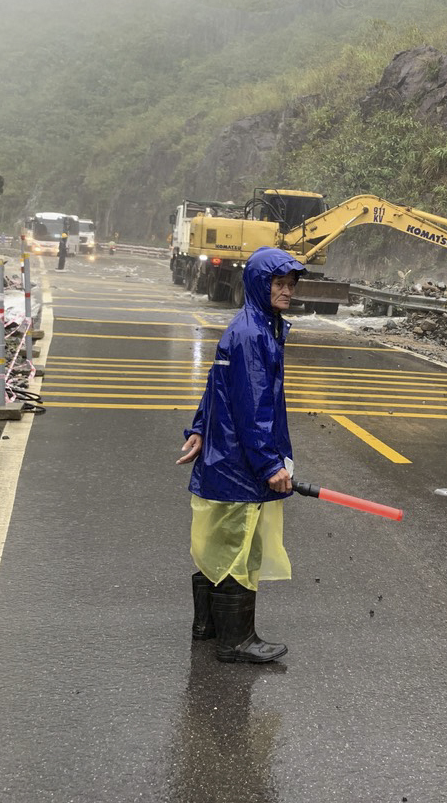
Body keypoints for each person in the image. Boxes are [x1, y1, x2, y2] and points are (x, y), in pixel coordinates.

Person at [176, 246, 305, 663]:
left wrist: (199, 427)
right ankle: (235, 641)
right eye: (279, 284)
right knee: (238, 548)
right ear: (258, 284)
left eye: (290, 284)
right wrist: (269, 464)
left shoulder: (255, 326)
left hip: (225, 455)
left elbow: (217, 385)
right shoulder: (253, 334)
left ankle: (209, 626)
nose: (286, 291)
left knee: (220, 544)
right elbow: (254, 407)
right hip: (239, 465)